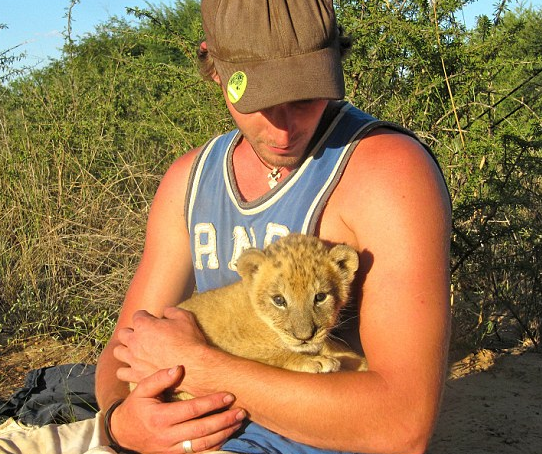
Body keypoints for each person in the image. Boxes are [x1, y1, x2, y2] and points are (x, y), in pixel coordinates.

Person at [95, 1, 452, 454]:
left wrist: (201, 366)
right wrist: (119, 423)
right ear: (214, 68)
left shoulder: (386, 172)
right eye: (261, 100)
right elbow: (123, 347)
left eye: (306, 95)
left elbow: (403, 425)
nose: (285, 129)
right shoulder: (188, 180)